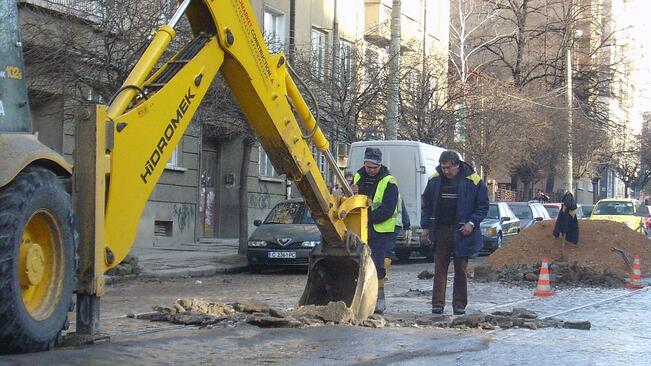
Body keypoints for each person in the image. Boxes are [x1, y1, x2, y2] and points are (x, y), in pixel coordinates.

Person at [420, 151, 488, 315]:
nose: (446, 171)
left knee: (461, 269)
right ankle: (437, 304)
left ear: (457, 165)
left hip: (462, 231)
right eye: (443, 168)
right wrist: (426, 227)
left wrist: (471, 223)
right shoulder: (434, 180)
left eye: (449, 168)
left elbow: (483, 206)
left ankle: (459, 305)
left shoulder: (473, 181)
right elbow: (426, 204)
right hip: (441, 230)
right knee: (440, 268)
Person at [352, 147, 399, 314]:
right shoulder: (358, 177)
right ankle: (360, 299)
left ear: (380, 165)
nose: (371, 171)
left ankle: (379, 299)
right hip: (360, 228)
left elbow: (387, 209)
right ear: (364, 163)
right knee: (358, 264)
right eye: (368, 167)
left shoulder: (389, 182)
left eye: (374, 168)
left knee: (377, 264)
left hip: (381, 230)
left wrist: (367, 218)